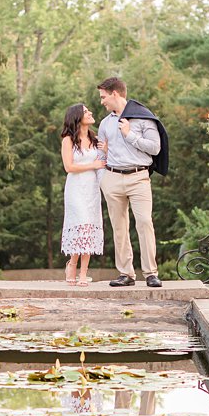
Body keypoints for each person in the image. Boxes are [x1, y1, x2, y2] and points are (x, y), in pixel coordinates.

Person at [95, 76, 170, 288]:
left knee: (145, 223)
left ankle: (150, 273)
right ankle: (126, 274)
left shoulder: (144, 118)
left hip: (138, 178)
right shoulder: (105, 123)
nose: (102, 102)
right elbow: (101, 154)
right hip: (112, 178)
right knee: (119, 228)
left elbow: (155, 148)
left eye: (103, 97)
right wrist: (103, 180)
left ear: (115, 94)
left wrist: (129, 135)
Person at [58, 102, 106, 286]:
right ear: (77, 117)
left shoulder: (95, 140)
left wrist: (105, 152)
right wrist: (91, 165)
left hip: (92, 189)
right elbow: (68, 167)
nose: (90, 112)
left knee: (89, 228)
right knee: (81, 225)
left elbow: (103, 161)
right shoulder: (68, 140)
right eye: (86, 111)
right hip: (76, 189)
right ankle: (72, 263)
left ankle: (83, 273)